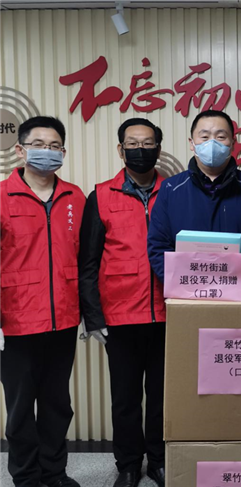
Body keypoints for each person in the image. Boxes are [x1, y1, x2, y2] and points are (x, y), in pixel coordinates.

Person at [78, 118, 167, 487]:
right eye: (132, 143)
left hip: (168, 313)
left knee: (163, 395)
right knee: (125, 397)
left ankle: (160, 460)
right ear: (121, 149)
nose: (140, 150)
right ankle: (128, 464)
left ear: (158, 148)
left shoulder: (175, 191)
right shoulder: (101, 195)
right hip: (120, 316)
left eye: (147, 143)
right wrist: (94, 317)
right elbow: (88, 262)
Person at [0, 116, 85, 487]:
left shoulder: (75, 198)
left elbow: (86, 259)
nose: (47, 152)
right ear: (21, 150)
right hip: (15, 322)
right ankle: (26, 477)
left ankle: (54, 472)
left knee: (56, 404)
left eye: (54, 146)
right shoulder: (2, 197)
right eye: (38, 145)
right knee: (20, 408)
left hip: (63, 319)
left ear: (63, 152)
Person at [147, 110, 241, 280]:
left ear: (233, 143)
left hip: (238, 289)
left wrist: (236, 282)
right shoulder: (170, 188)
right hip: (186, 290)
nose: (212, 143)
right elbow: (158, 246)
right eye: (204, 137)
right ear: (192, 143)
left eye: (221, 137)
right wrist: (181, 284)